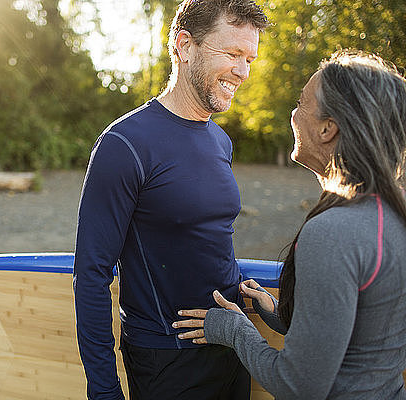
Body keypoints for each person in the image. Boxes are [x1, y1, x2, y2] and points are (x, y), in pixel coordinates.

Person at [174, 50, 406, 399]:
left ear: (329, 128)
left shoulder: (333, 233)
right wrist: (284, 317)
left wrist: (235, 329)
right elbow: (367, 338)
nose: (293, 114)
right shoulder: (391, 212)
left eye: (302, 102)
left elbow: (299, 386)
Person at [73, 1, 269, 399]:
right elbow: (91, 274)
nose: (243, 71)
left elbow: (206, 238)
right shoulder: (124, 144)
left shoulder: (220, 140)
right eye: (232, 54)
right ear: (184, 45)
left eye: (249, 58)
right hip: (167, 361)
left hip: (232, 345)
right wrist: (104, 391)